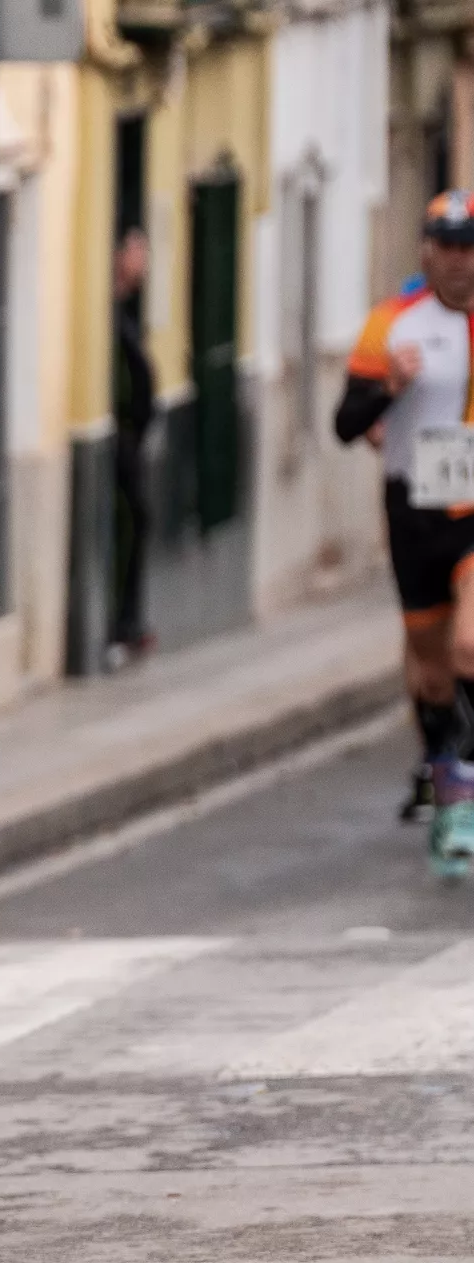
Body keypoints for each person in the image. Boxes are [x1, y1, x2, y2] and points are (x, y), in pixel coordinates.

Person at [340, 190, 474, 875]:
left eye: (468, 246)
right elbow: (344, 422)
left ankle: (466, 787)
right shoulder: (393, 325)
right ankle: (446, 779)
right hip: (415, 504)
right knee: (430, 669)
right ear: (426, 249)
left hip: (472, 507)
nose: (459, 259)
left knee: (471, 643)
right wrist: (389, 388)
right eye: (447, 246)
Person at [107, 227, 156, 669]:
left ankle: (127, 622)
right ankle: (118, 627)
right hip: (117, 437)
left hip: (131, 437)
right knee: (129, 521)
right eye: (139, 250)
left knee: (137, 521)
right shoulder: (109, 311)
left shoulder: (124, 308)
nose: (145, 261)